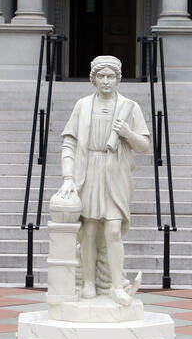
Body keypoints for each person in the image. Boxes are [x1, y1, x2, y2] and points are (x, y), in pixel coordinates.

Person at [56, 55, 150, 306]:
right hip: (88, 171)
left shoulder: (130, 106)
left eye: (110, 76)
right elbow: (69, 142)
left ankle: (116, 285)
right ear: (93, 79)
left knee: (112, 229)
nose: (106, 81)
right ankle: (88, 283)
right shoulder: (83, 105)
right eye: (101, 76)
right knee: (89, 230)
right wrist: (68, 177)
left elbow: (143, 146)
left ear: (118, 79)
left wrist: (127, 133)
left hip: (115, 173)